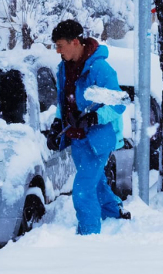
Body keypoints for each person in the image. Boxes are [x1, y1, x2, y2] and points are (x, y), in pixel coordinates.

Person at [46, 19, 130, 235]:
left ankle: (88, 236)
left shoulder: (100, 68)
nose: (58, 51)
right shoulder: (63, 68)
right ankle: (114, 213)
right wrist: (57, 124)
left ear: (75, 42)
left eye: (60, 45)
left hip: (97, 139)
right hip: (77, 138)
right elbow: (62, 100)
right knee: (96, 181)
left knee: (83, 190)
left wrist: (94, 118)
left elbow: (118, 104)